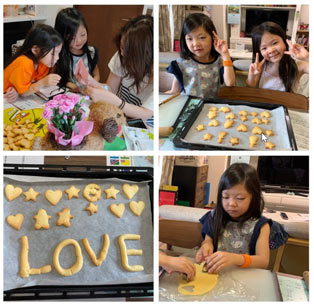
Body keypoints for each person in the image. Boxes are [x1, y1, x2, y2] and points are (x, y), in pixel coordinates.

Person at [196, 163, 271, 274]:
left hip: (245, 278)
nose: (231, 204)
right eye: (226, 197)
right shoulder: (214, 217)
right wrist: (206, 245)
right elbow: (208, 239)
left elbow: (263, 261)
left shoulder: (261, 226)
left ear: (253, 197)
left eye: (240, 198)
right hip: (218, 275)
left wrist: (235, 259)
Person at [87, 15, 153, 121]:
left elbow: (145, 114)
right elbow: (111, 89)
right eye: (121, 48)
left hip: (142, 127)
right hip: (117, 116)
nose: (121, 54)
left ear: (144, 54)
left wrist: (117, 102)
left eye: (127, 50)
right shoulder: (121, 56)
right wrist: (92, 82)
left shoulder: (155, 76)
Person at [165, 13, 235, 98]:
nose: (195, 44)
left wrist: (225, 54)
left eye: (201, 37)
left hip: (210, 108)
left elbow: (230, 83)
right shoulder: (181, 63)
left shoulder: (221, 62)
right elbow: (174, 91)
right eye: (190, 39)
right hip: (187, 107)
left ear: (213, 37)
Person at [4, 24, 63, 103]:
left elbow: (32, 83)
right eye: (53, 54)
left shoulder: (42, 62)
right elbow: (24, 93)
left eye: (58, 53)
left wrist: (18, 91)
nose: (57, 58)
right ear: (35, 50)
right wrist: (43, 83)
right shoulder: (24, 63)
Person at [247, 21, 309, 92]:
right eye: (264, 48)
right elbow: (251, 92)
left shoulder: (298, 65)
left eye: (274, 43)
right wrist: (251, 77)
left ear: (284, 40)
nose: (271, 50)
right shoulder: (261, 67)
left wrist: (307, 57)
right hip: (264, 102)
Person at [54, 7, 100, 91]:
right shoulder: (59, 55)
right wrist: (76, 88)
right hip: (70, 95)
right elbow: (61, 80)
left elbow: (96, 73)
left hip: (88, 94)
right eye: (72, 37)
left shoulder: (91, 52)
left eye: (82, 35)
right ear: (63, 36)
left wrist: (93, 84)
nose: (79, 41)